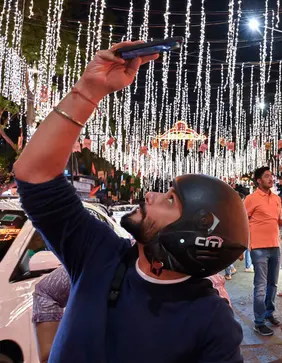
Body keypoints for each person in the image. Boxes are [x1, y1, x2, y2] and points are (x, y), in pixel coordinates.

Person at [14, 41, 247, 362]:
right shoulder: (99, 254)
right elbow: (34, 176)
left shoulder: (212, 320)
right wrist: (89, 89)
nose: (148, 195)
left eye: (169, 200)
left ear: (196, 231)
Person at [32, 267, 233, 363]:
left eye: (170, 200)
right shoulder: (103, 263)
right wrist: (51, 352)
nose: (150, 196)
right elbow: (46, 292)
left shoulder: (208, 292)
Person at [244, 166, 282, 336]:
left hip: (275, 245)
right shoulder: (251, 199)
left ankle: (269, 312)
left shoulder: (276, 199)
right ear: (259, 181)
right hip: (258, 247)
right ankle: (259, 322)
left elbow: (276, 222)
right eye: (267, 176)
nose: (271, 178)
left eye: (271, 176)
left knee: (273, 283)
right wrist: (243, 246)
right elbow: (243, 221)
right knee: (260, 285)